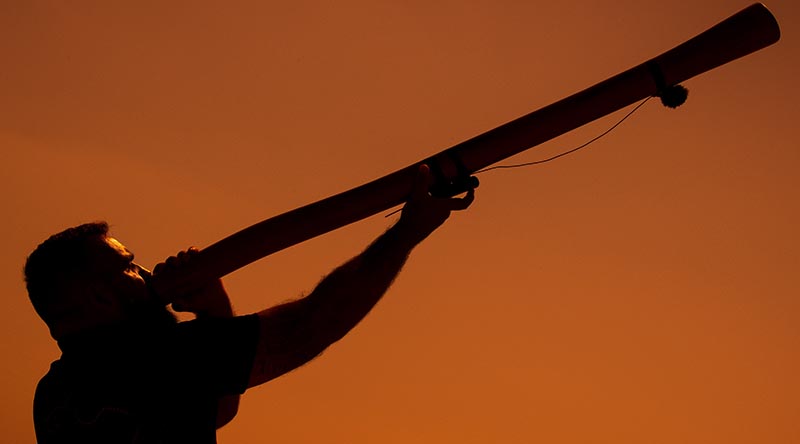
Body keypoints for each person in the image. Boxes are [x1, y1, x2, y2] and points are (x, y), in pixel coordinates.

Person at [25, 165, 474, 443]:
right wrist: (406, 234)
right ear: (101, 294)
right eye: (130, 266)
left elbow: (214, 411)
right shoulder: (161, 357)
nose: (144, 274)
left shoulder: (54, 395)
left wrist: (215, 313)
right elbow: (310, 326)